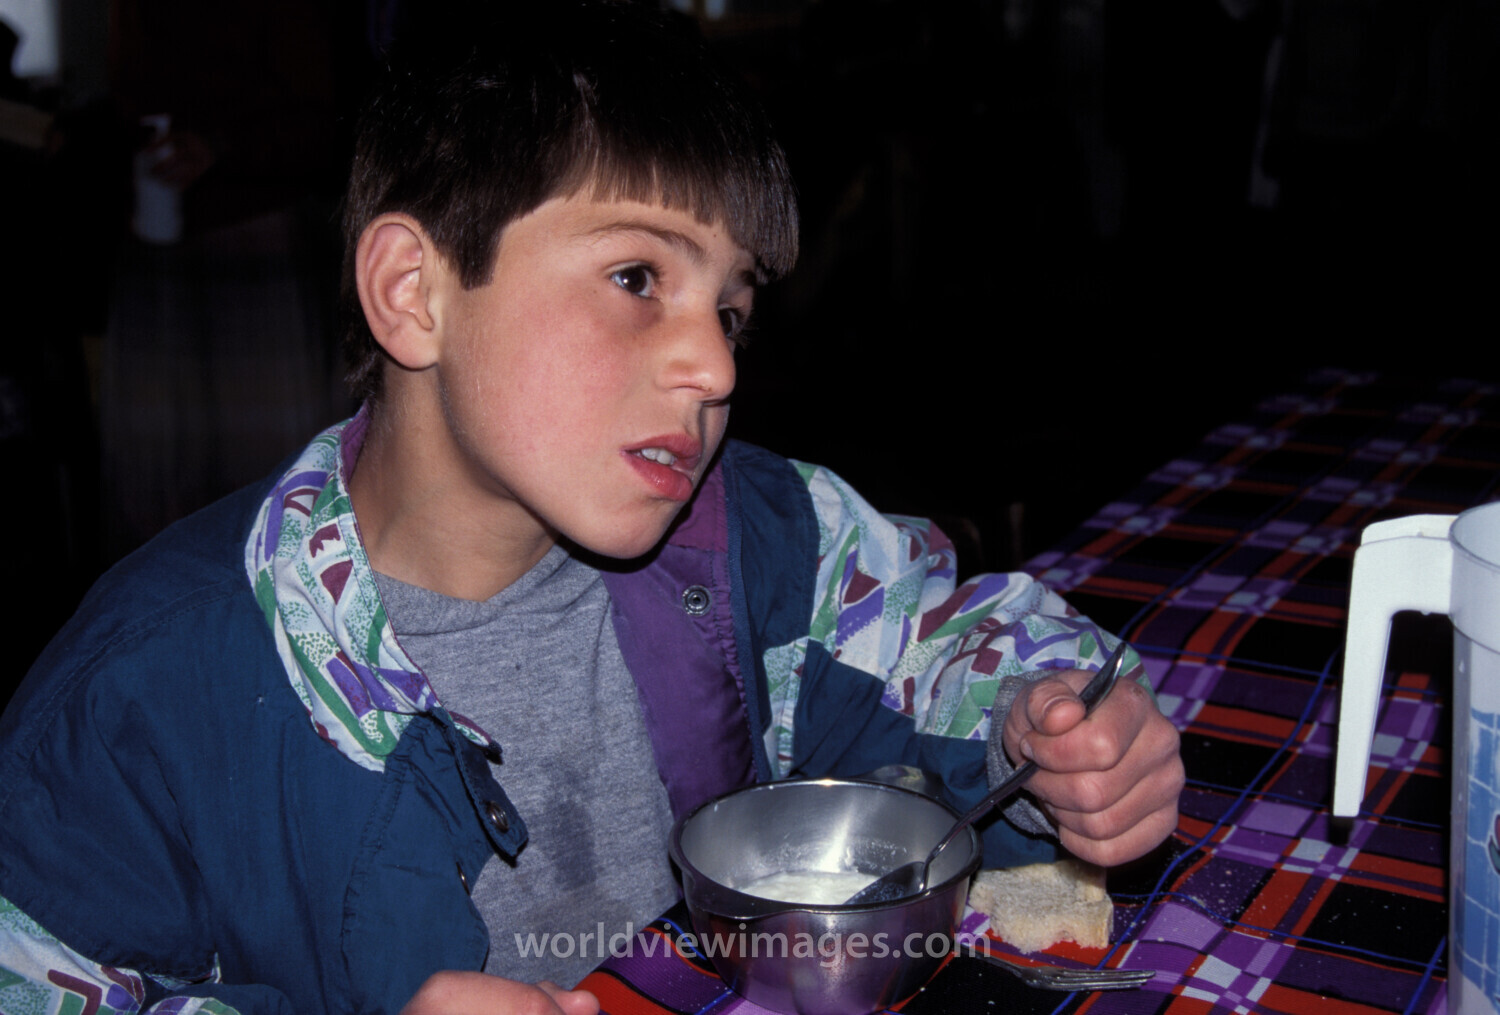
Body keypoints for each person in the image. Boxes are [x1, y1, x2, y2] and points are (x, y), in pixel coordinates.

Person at [0, 4, 1183, 1014]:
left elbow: (941, 635)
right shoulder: (142, 693)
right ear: (414, 293)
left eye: (731, 310)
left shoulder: (755, 538)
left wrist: (1044, 727)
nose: (713, 366)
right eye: (636, 277)